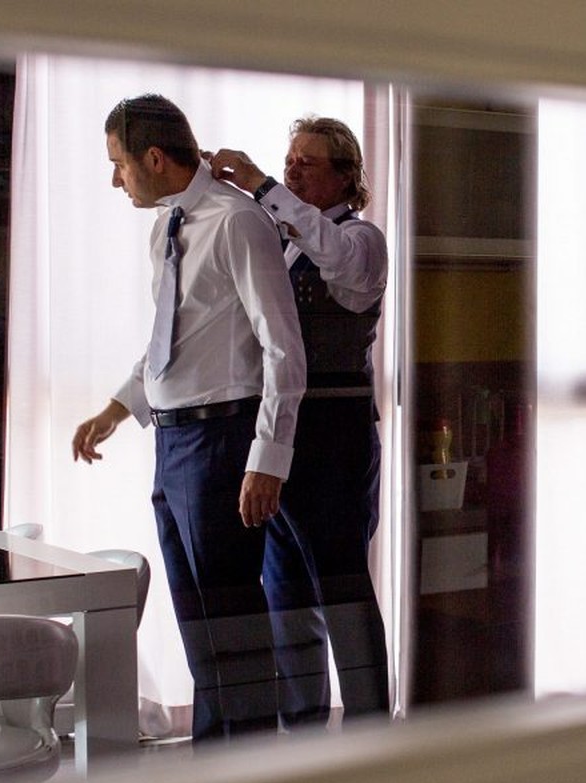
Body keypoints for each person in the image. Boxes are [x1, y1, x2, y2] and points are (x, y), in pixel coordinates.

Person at [71, 94, 306, 743]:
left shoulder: (238, 222)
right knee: (202, 632)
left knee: (233, 629)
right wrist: (118, 408)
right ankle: (215, 765)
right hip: (172, 445)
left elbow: (283, 348)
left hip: (223, 441)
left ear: (153, 157)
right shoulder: (167, 228)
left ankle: (251, 769)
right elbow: (174, 335)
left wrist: (268, 457)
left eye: (118, 164)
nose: (115, 179)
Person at [208, 116, 390, 728]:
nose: (291, 171)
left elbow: (336, 258)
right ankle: (302, 728)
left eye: (306, 163)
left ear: (345, 175)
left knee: (342, 588)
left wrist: (261, 184)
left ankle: (370, 729)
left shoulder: (362, 240)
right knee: (284, 591)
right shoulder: (280, 241)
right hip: (280, 435)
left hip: (335, 439)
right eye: (289, 160)